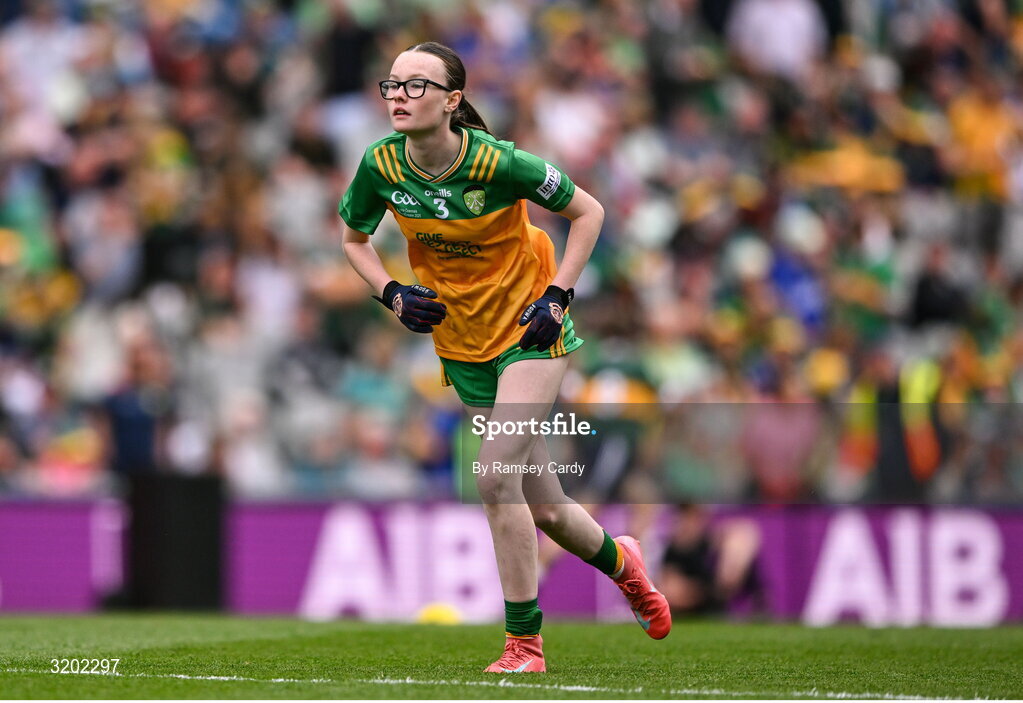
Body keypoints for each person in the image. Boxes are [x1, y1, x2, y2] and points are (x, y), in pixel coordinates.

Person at [339, 41, 671, 673]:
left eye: (416, 86)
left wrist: (558, 294)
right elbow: (354, 240)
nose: (400, 97)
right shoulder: (380, 165)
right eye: (393, 86)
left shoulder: (500, 163)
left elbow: (588, 211)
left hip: (531, 329)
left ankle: (525, 645)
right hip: (463, 341)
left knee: (492, 476)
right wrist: (391, 294)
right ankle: (625, 565)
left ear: (452, 100)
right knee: (545, 506)